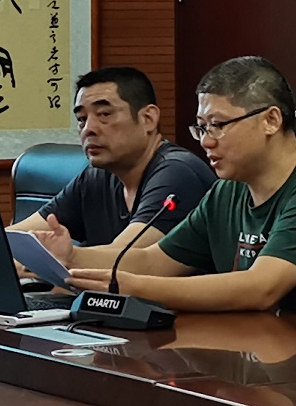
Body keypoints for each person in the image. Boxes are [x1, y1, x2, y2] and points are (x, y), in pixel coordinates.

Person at [48, 57, 296, 324]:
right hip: (266, 356)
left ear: (271, 120)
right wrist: (71, 258)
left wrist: (133, 287)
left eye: (218, 125)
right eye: (201, 127)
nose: (206, 141)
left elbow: (261, 288)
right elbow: (154, 260)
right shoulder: (228, 191)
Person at [11, 66, 213, 261]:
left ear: (148, 118)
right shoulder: (96, 176)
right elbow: (16, 237)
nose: (88, 129)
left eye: (104, 115)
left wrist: (51, 259)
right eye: (81, 119)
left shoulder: (178, 173)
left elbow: (124, 259)